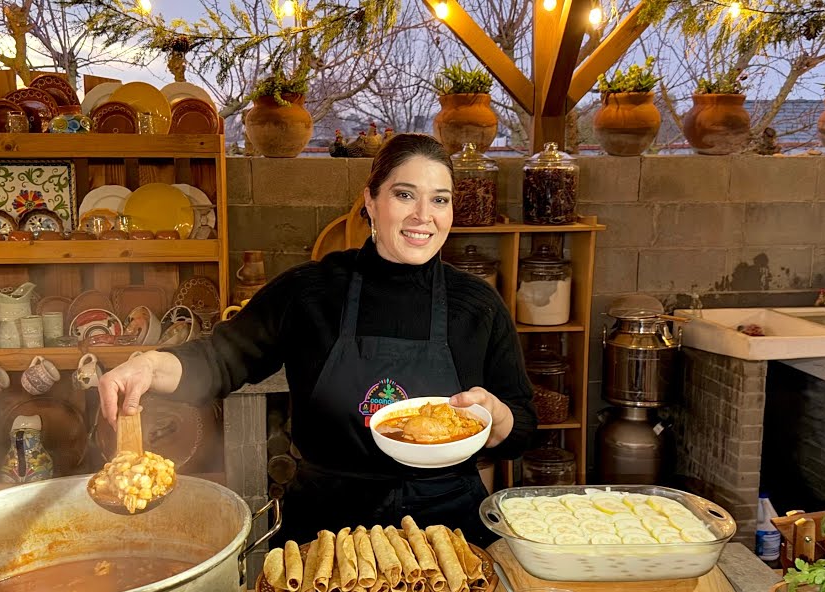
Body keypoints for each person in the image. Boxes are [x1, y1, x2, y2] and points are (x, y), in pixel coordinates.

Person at [97, 133, 536, 547]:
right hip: (328, 525)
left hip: (448, 527)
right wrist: (149, 365)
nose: (423, 215)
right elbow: (218, 361)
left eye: (439, 200)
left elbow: (523, 425)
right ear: (371, 200)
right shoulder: (310, 292)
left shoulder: (477, 305)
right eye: (404, 195)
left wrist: (498, 419)